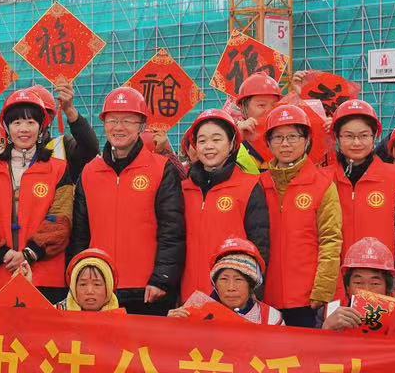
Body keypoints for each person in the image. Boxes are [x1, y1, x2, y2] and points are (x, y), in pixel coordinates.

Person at [0, 84, 90, 302]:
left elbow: (61, 218)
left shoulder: (58, 169)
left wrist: (29, 253)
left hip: (46, 278)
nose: (23, 129)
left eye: (30, 122)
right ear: (7, 127)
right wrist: (3, 254)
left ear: (41, 127)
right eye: (16, 122)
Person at [73, 86, 184, 314]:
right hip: (100, 291)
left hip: (148, 290)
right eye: (112, 120)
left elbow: (172, 231)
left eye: (128, 121)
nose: (119, 127)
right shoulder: (89, 172)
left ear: (142, 125)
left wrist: (162, 278)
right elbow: (79, 235)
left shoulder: (161, 169)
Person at [248, 102, 342, 327]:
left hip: (308, 297)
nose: (285, 144)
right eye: (278, 137)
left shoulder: (322, 184)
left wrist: (322, 290)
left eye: (293, 136)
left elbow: (331, 240)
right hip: (266, 295)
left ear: (307, 140)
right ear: (268, 142)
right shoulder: (258, 184)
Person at [174, 107, 267, 306]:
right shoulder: (182, 189)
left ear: (231, 143)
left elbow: (260, 245)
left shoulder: (249, 186)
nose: (209, 146)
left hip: (232, 297)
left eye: (217, 139)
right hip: (188, 297)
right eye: (202, 141)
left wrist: (253, 290)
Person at [330, 98, 395, 290]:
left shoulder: (394, 176)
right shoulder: (324, 178)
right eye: (349, 136)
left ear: (375, 136)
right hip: (334, 280)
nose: (356, 142)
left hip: (379, 280)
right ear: (337, 138)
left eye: (364, 135)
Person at [320, 238, 395, 338]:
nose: (366, 290)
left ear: (388, 288)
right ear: (347, 287)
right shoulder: (328, 312)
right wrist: (326, 329)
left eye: (375, 283)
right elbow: (314, 354)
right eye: (358, 282)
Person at [167, 236, 280, 324]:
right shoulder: (192, 313)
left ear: (251, 284)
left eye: (238, 279)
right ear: (215, 284)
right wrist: (172, 326)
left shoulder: (270, 318)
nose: (231, 287)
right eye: (224, 279)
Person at [230, 71, 283, 171]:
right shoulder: (231, 138)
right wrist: (235, 138)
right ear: (243, 107)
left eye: (274, 105)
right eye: (261, 105)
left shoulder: (287, 137)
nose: (269, 110)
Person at [61, 248, 123, 313]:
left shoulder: (120, 318)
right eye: (83, 284)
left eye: (97, 284)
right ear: (73, 288)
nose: (89, 291)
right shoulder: (56, 314)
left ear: (109, 288)